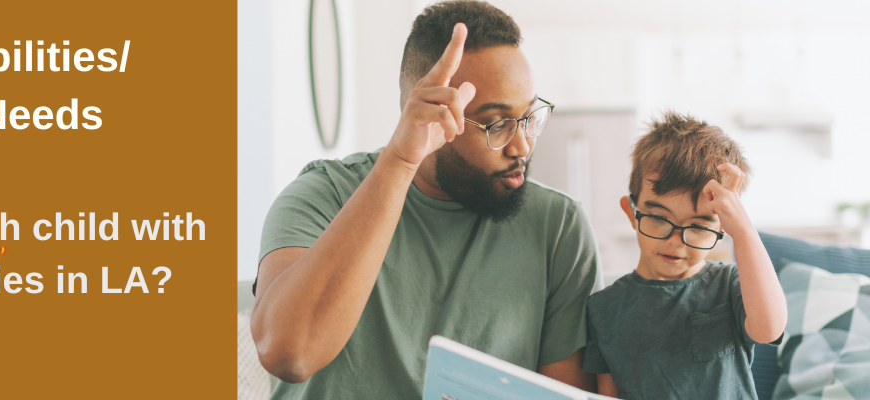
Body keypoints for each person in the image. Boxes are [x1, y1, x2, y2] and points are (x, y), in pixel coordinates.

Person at [249, 1, 601, 398]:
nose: (522, 145)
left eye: (528, 117)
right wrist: (400, 161)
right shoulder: (323, 195)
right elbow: (289, 354)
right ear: (427, 114)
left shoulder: (557, 227)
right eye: (496, 124)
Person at [583, 112, 787, 399]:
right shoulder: (602, 308)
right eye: (658, 218)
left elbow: (768, 329)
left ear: (722, 227)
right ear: (632, 213)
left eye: (699, 226)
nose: (675, 241)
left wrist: (743, 231)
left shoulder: (729, 285)